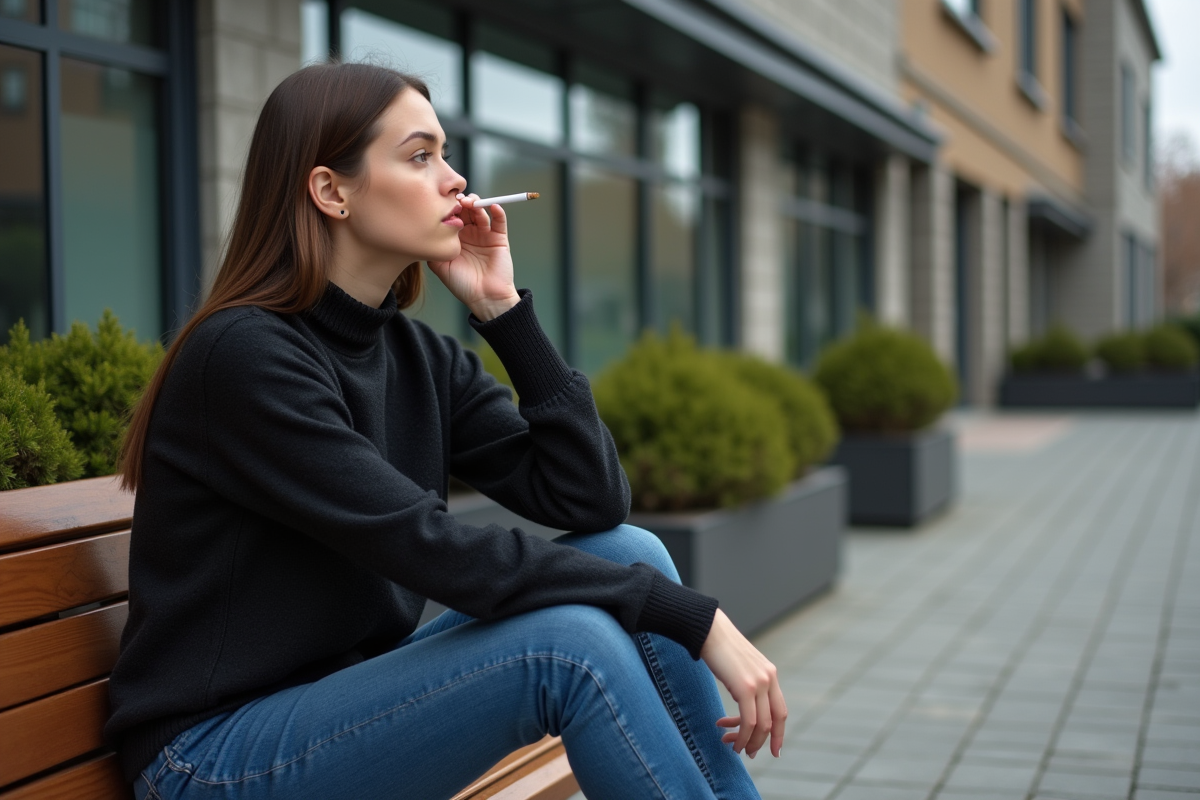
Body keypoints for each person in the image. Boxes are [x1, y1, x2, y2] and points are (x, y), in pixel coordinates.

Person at [105, 62, 786, 800]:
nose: (457, 180)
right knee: (571, 647)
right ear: (332, 190)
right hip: (210, 758)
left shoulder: (414, 354)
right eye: (421, 156)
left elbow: (591, 503)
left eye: (447, 155)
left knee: (632, 552)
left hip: (336, 707)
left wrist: (505, 315)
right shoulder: (244, 357)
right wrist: (690, 616)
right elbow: (427, 544)